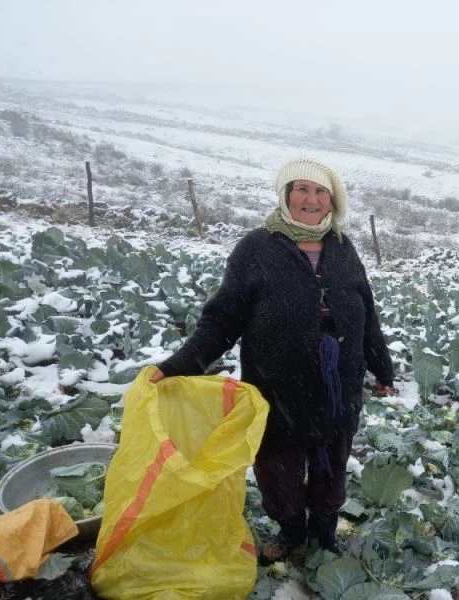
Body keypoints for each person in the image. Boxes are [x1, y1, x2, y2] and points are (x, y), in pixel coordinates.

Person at [149, 157, 395, 564]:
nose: (311, 199)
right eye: (301, 189)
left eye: (320, 191)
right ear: (285, 194)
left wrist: (382, 368)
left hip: (338, 388)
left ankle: (324, 531)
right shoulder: (256, 248)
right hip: (277, 385)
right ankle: (291, 530)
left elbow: (366, 313)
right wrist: (178, 365)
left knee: (332, 466)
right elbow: (222, 319)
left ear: (333, 200)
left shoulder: (342, 247)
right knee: (278, 469)